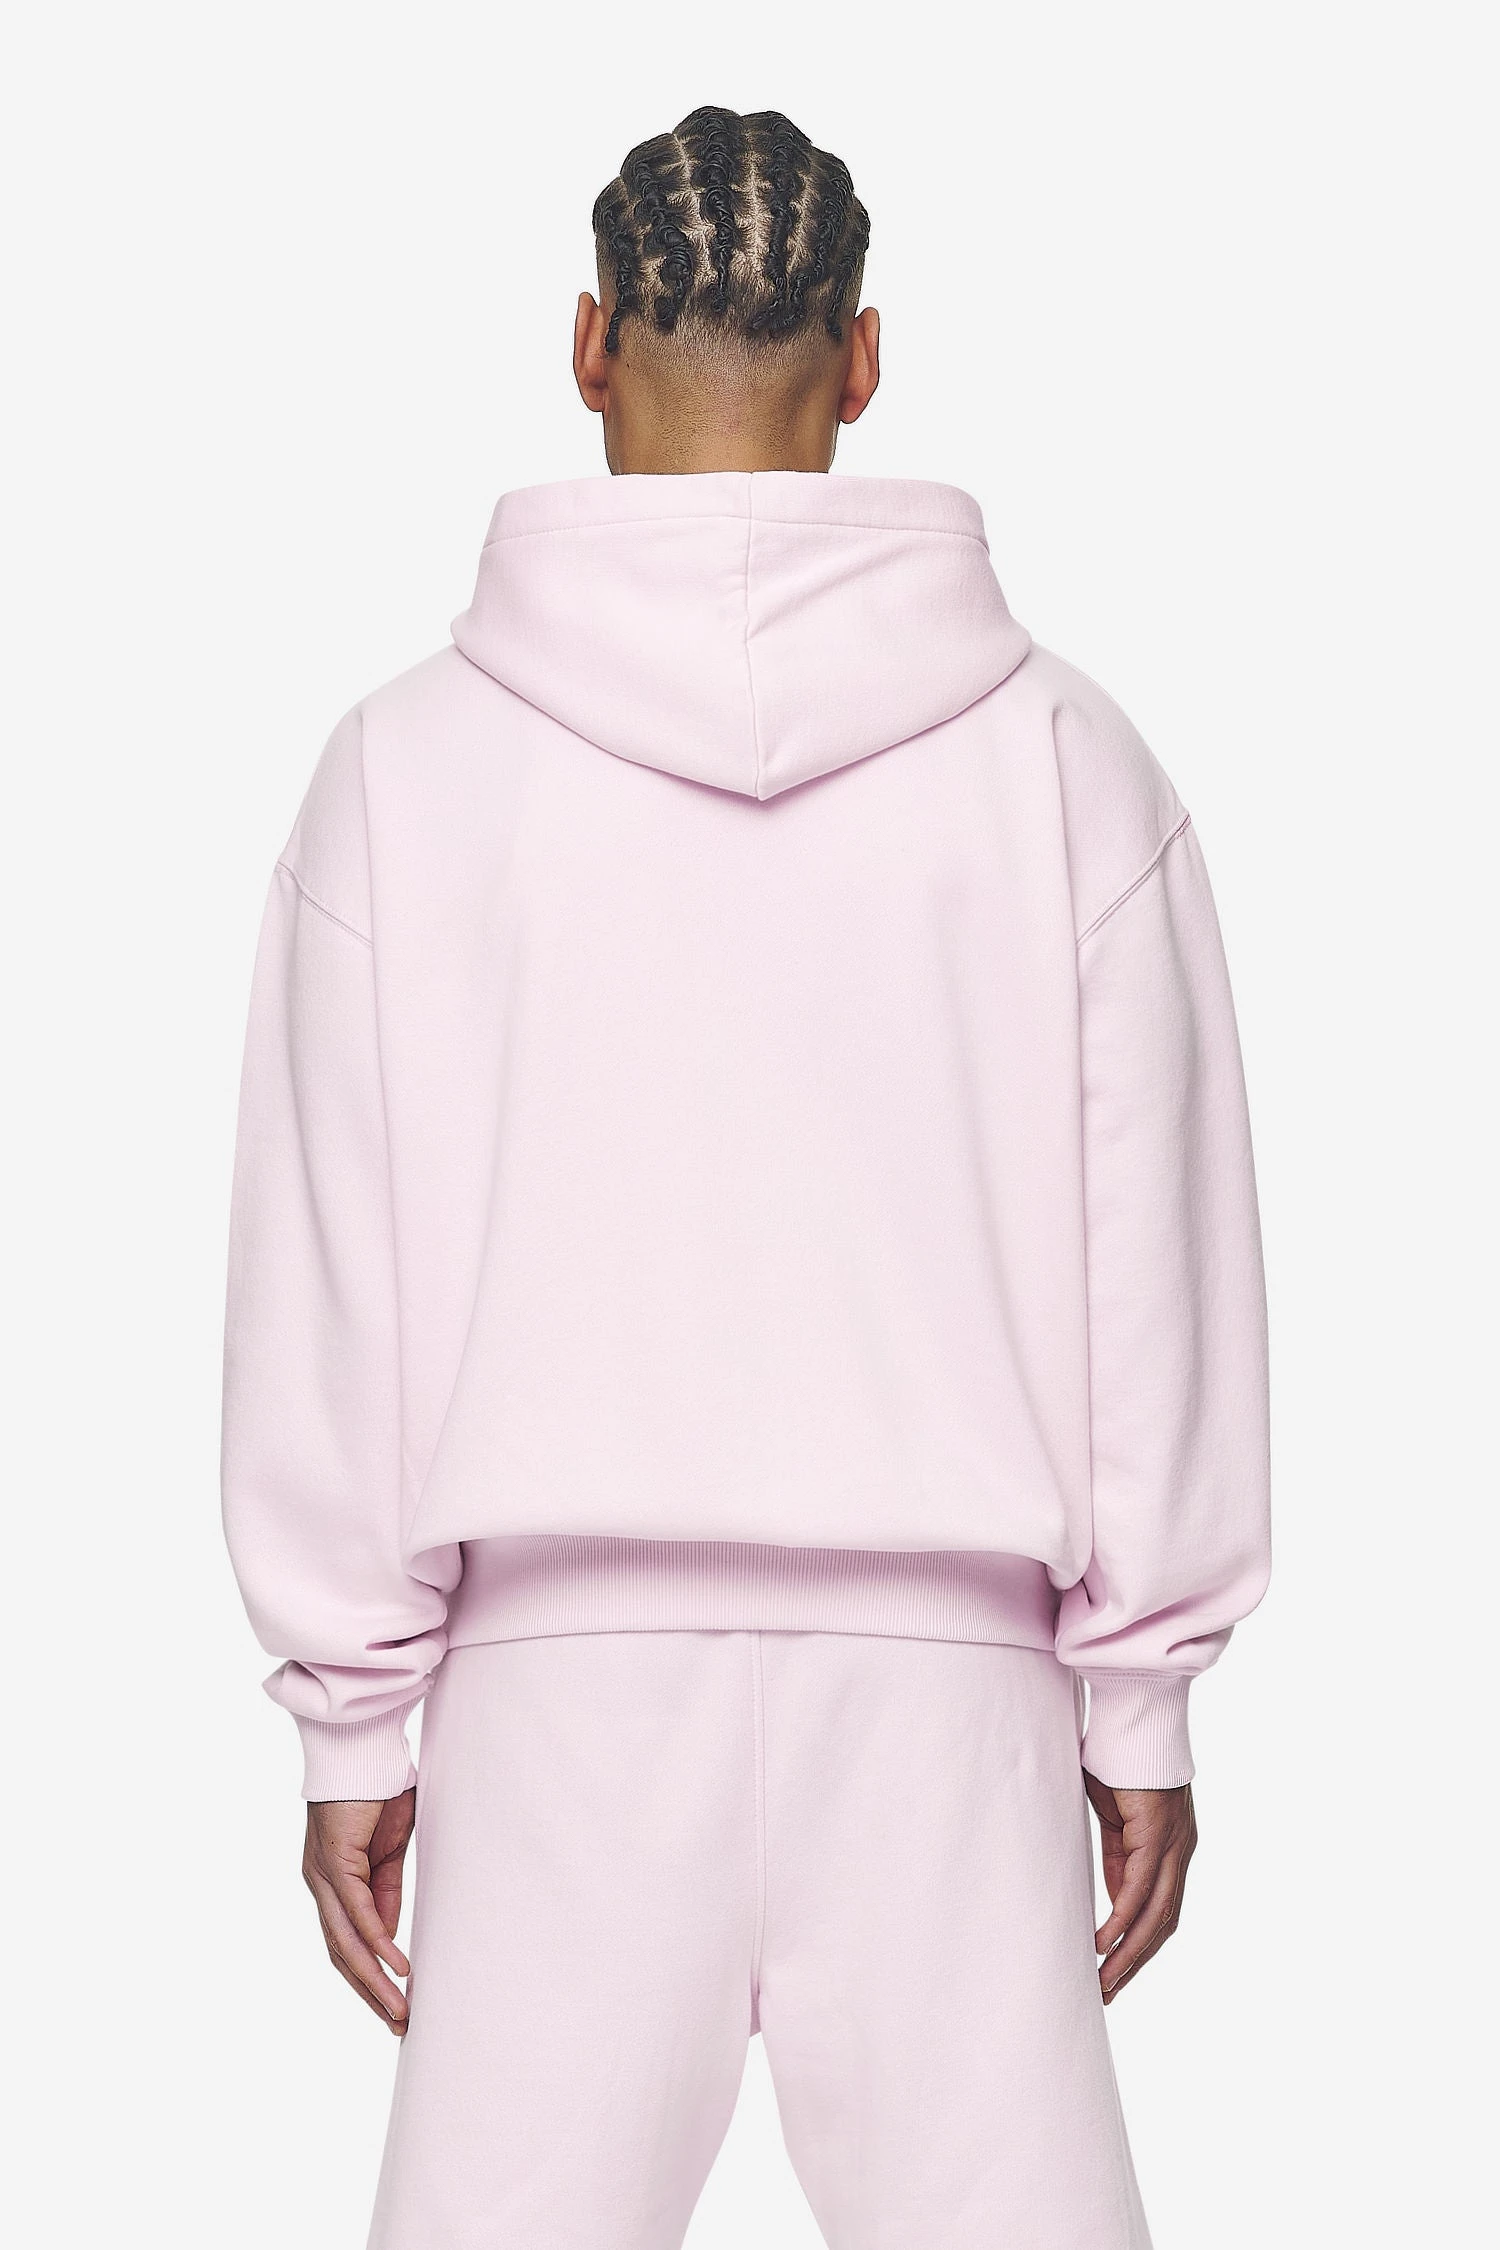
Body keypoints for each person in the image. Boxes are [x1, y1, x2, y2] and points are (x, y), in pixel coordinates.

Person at [222, 103, 1270, 2250]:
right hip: (954, 1705)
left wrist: (352, 1728)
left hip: (558, 1710)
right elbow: (1152, 1264)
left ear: (585, 343)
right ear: (864, 360)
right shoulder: (1068, 763)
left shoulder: (401, 773)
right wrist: (1142, 1692)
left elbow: (334, 1282)